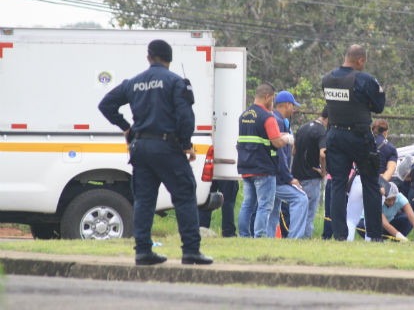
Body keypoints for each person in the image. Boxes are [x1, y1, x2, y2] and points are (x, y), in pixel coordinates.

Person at [98, 39, 212, 265]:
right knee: (185, 194)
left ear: (149, 57)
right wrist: (186, 144)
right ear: (169, 59)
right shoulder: (176, 82)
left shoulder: (133, 83)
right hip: (167, 147)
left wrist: (126, 128)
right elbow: (185, 116)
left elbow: (106, 105)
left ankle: (142, 251)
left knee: (144, 200)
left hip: (140, 148)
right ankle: (190, 250)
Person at [322, 44, 386, 241]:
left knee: (338, 185)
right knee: (370, 184)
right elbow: (379, 106)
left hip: (334, 134)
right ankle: (374, 236)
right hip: (359, 137)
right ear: (360, 60)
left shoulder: (327, 78)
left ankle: (340, 236)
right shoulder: (364, 79)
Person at [236, 83, 293, 238]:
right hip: (264, 169)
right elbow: (276, 142)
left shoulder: (244, 115)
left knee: (247, 204)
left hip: (246, 166)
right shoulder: (268, 117)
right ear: (267, 97)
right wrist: (288, 138)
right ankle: (260, 236)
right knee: (265, 206)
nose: (273, 103)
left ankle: (243, 235)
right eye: (273, 99)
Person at [266, 91, 309, 239]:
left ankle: (268, 239)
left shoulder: (278, 120)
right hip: (277, 177)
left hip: (272, 175)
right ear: (287, 105)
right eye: (293, 106)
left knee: (274, 209)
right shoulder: (277, 121)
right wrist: (290, 179)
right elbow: (280, 155)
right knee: (301, 199)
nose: (293, 109)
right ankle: (295, 239)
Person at [291, 106, 328, 238]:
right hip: (311, 178)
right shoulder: (321, 131)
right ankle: (304, 241)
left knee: (297, 213)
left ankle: (293, 238)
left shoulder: (303, 127)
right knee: (308, 215)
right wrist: (323, 171)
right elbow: (323, 154)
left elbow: (293, 150)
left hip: (296, 177)